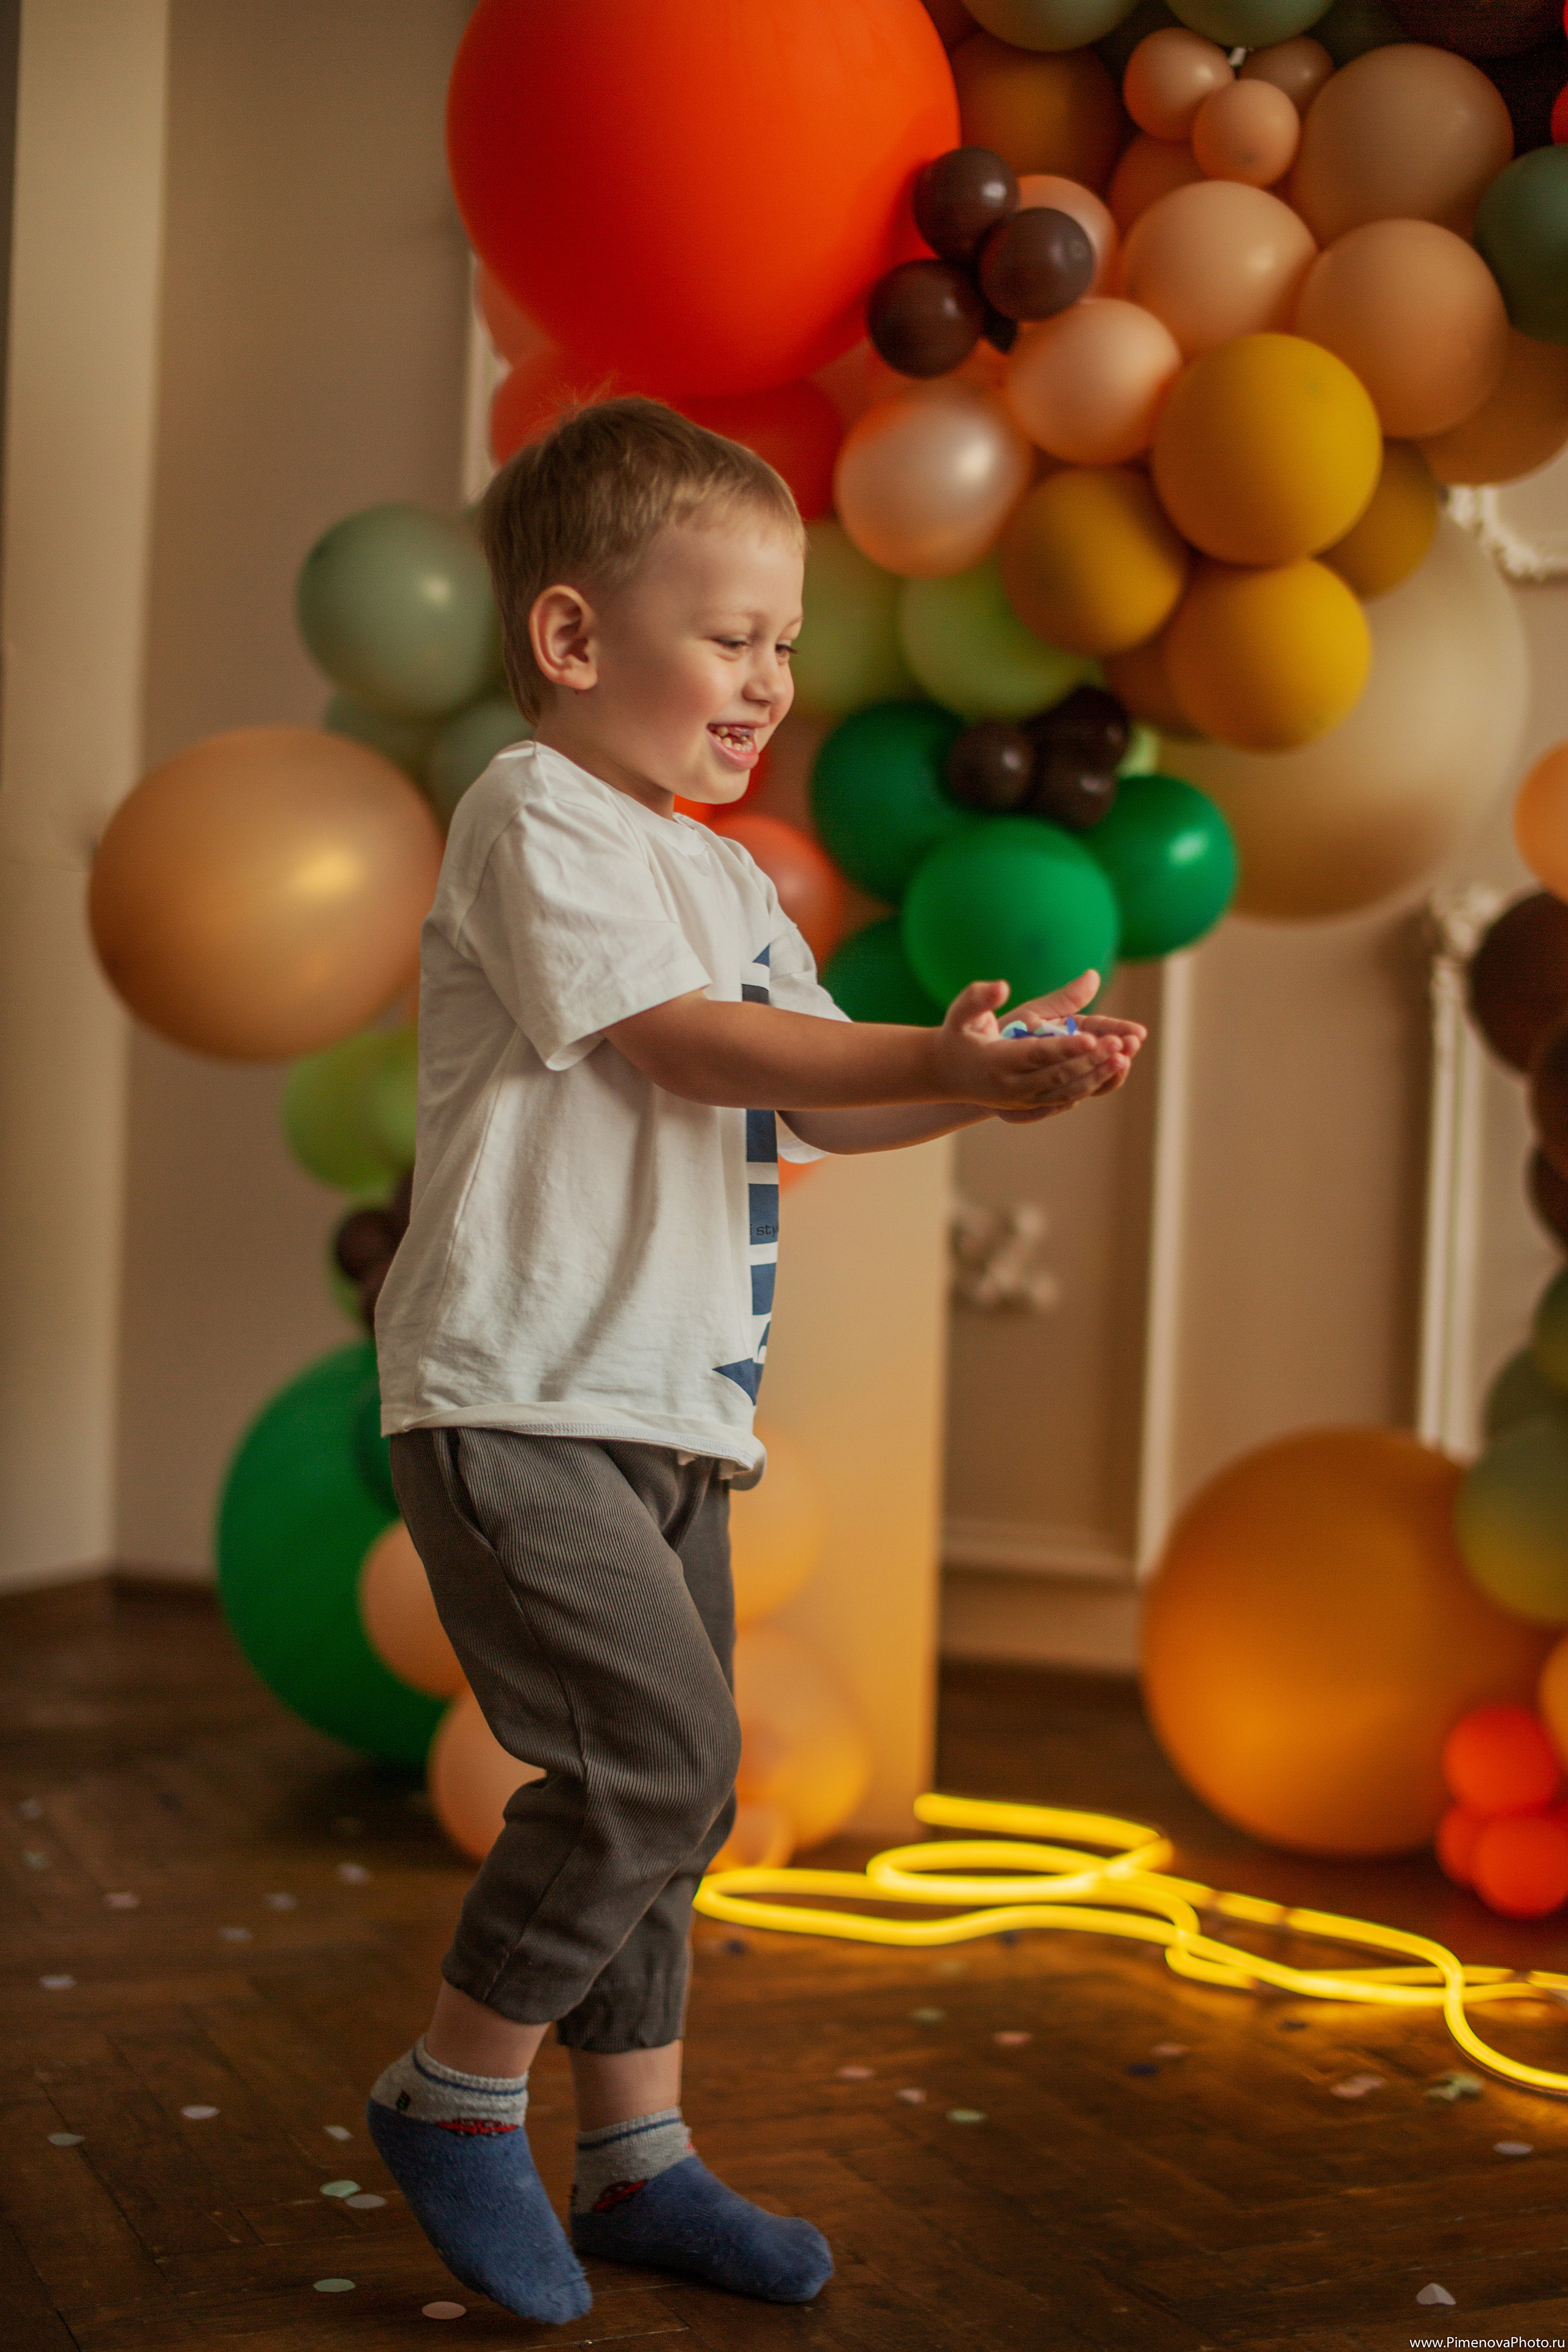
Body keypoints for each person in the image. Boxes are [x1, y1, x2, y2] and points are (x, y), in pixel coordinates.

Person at [366, 397, 1146, 2324]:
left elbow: (809, 1104)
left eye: (786, 642)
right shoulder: (534, 815)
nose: (772, 680)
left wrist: (978, 1087)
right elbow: (688, 1046)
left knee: (683, 1799)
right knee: (657, 1755)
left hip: (669, 1409)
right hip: (519, 1395)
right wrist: (931, 1051)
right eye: (732, 636)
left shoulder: (726, 881)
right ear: (571, 639)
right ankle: (456, 2094)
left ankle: (637, 2160)